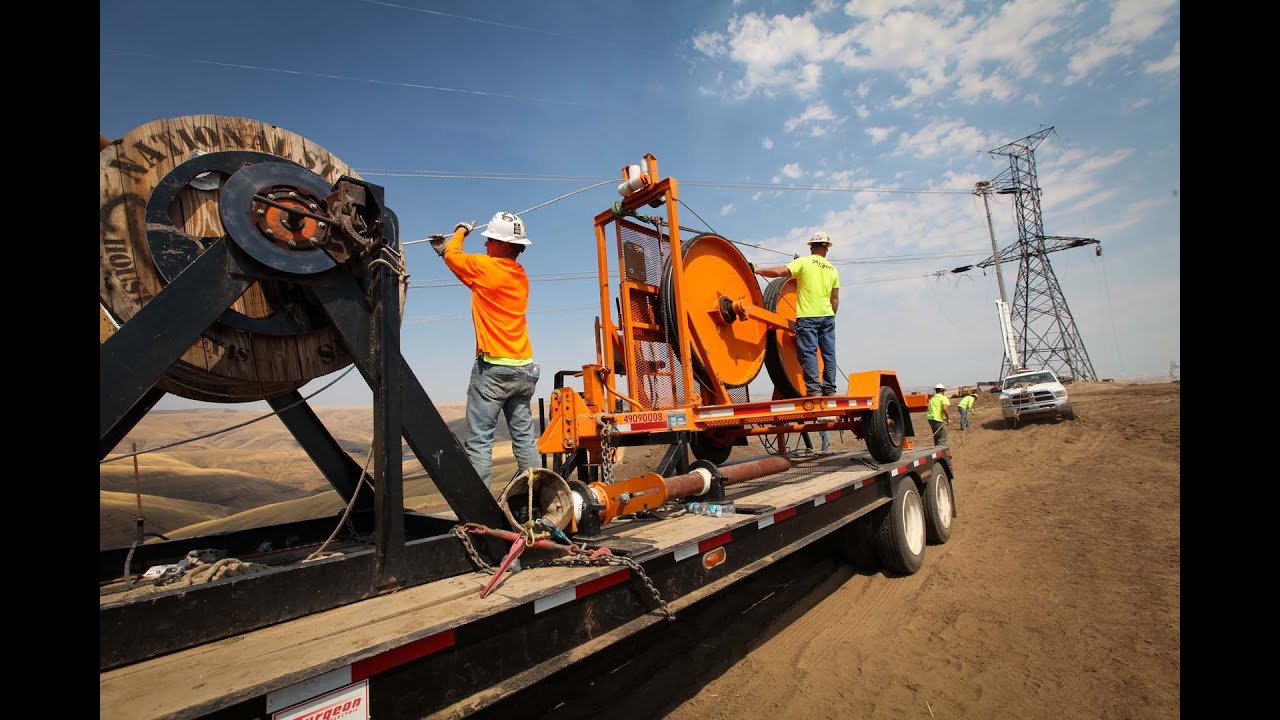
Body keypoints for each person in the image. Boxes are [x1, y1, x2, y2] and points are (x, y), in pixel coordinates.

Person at [430, 211, 541, 487]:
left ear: (503, 244)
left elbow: (454, 257)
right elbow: (456, 261)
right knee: (525, 440)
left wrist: (459, 231)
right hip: (524, 367)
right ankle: (539, 498)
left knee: (479, 441)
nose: (486, 244)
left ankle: (482, 515)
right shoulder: (520, 275)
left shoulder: (485, 268)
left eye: (490, 239)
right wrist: (450, 249)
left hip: (493, 368)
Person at [753, 231, 841, 397]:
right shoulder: (833, 270)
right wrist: (831, 317)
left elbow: (780, 272)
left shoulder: (804, 262)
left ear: (810, 247)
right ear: (826, 249)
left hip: (807, 317)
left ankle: (814, 391)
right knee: (829, 354)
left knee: (808, 353)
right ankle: (830, 391)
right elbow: (835, 299)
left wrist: (759, 271)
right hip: (828, 317)